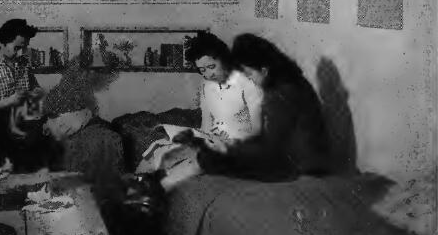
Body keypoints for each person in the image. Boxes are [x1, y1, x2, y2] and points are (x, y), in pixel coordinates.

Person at [134, 32, 264, 192]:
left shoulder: (247, 85)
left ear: (223, 59)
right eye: (202, 70)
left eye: (211, 67)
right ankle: (135, 191)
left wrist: (230, 140)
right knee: (159, 153)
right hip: (212, 140)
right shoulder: (207, 86)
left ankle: (152, 193)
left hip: (239, 145)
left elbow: (258, 129)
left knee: (184, 166)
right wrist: (204, 137)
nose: (208, 74)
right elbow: (206, 124)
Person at [195, 33, 333, 181]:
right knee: (208, 154)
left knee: (209, 159)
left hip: (300, 167)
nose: (248, 79)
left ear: (264, 71)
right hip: (299, 159)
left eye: (248, 73)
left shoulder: (281, 94)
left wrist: (230, 148)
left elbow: (270, 148)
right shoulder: (292, 81)